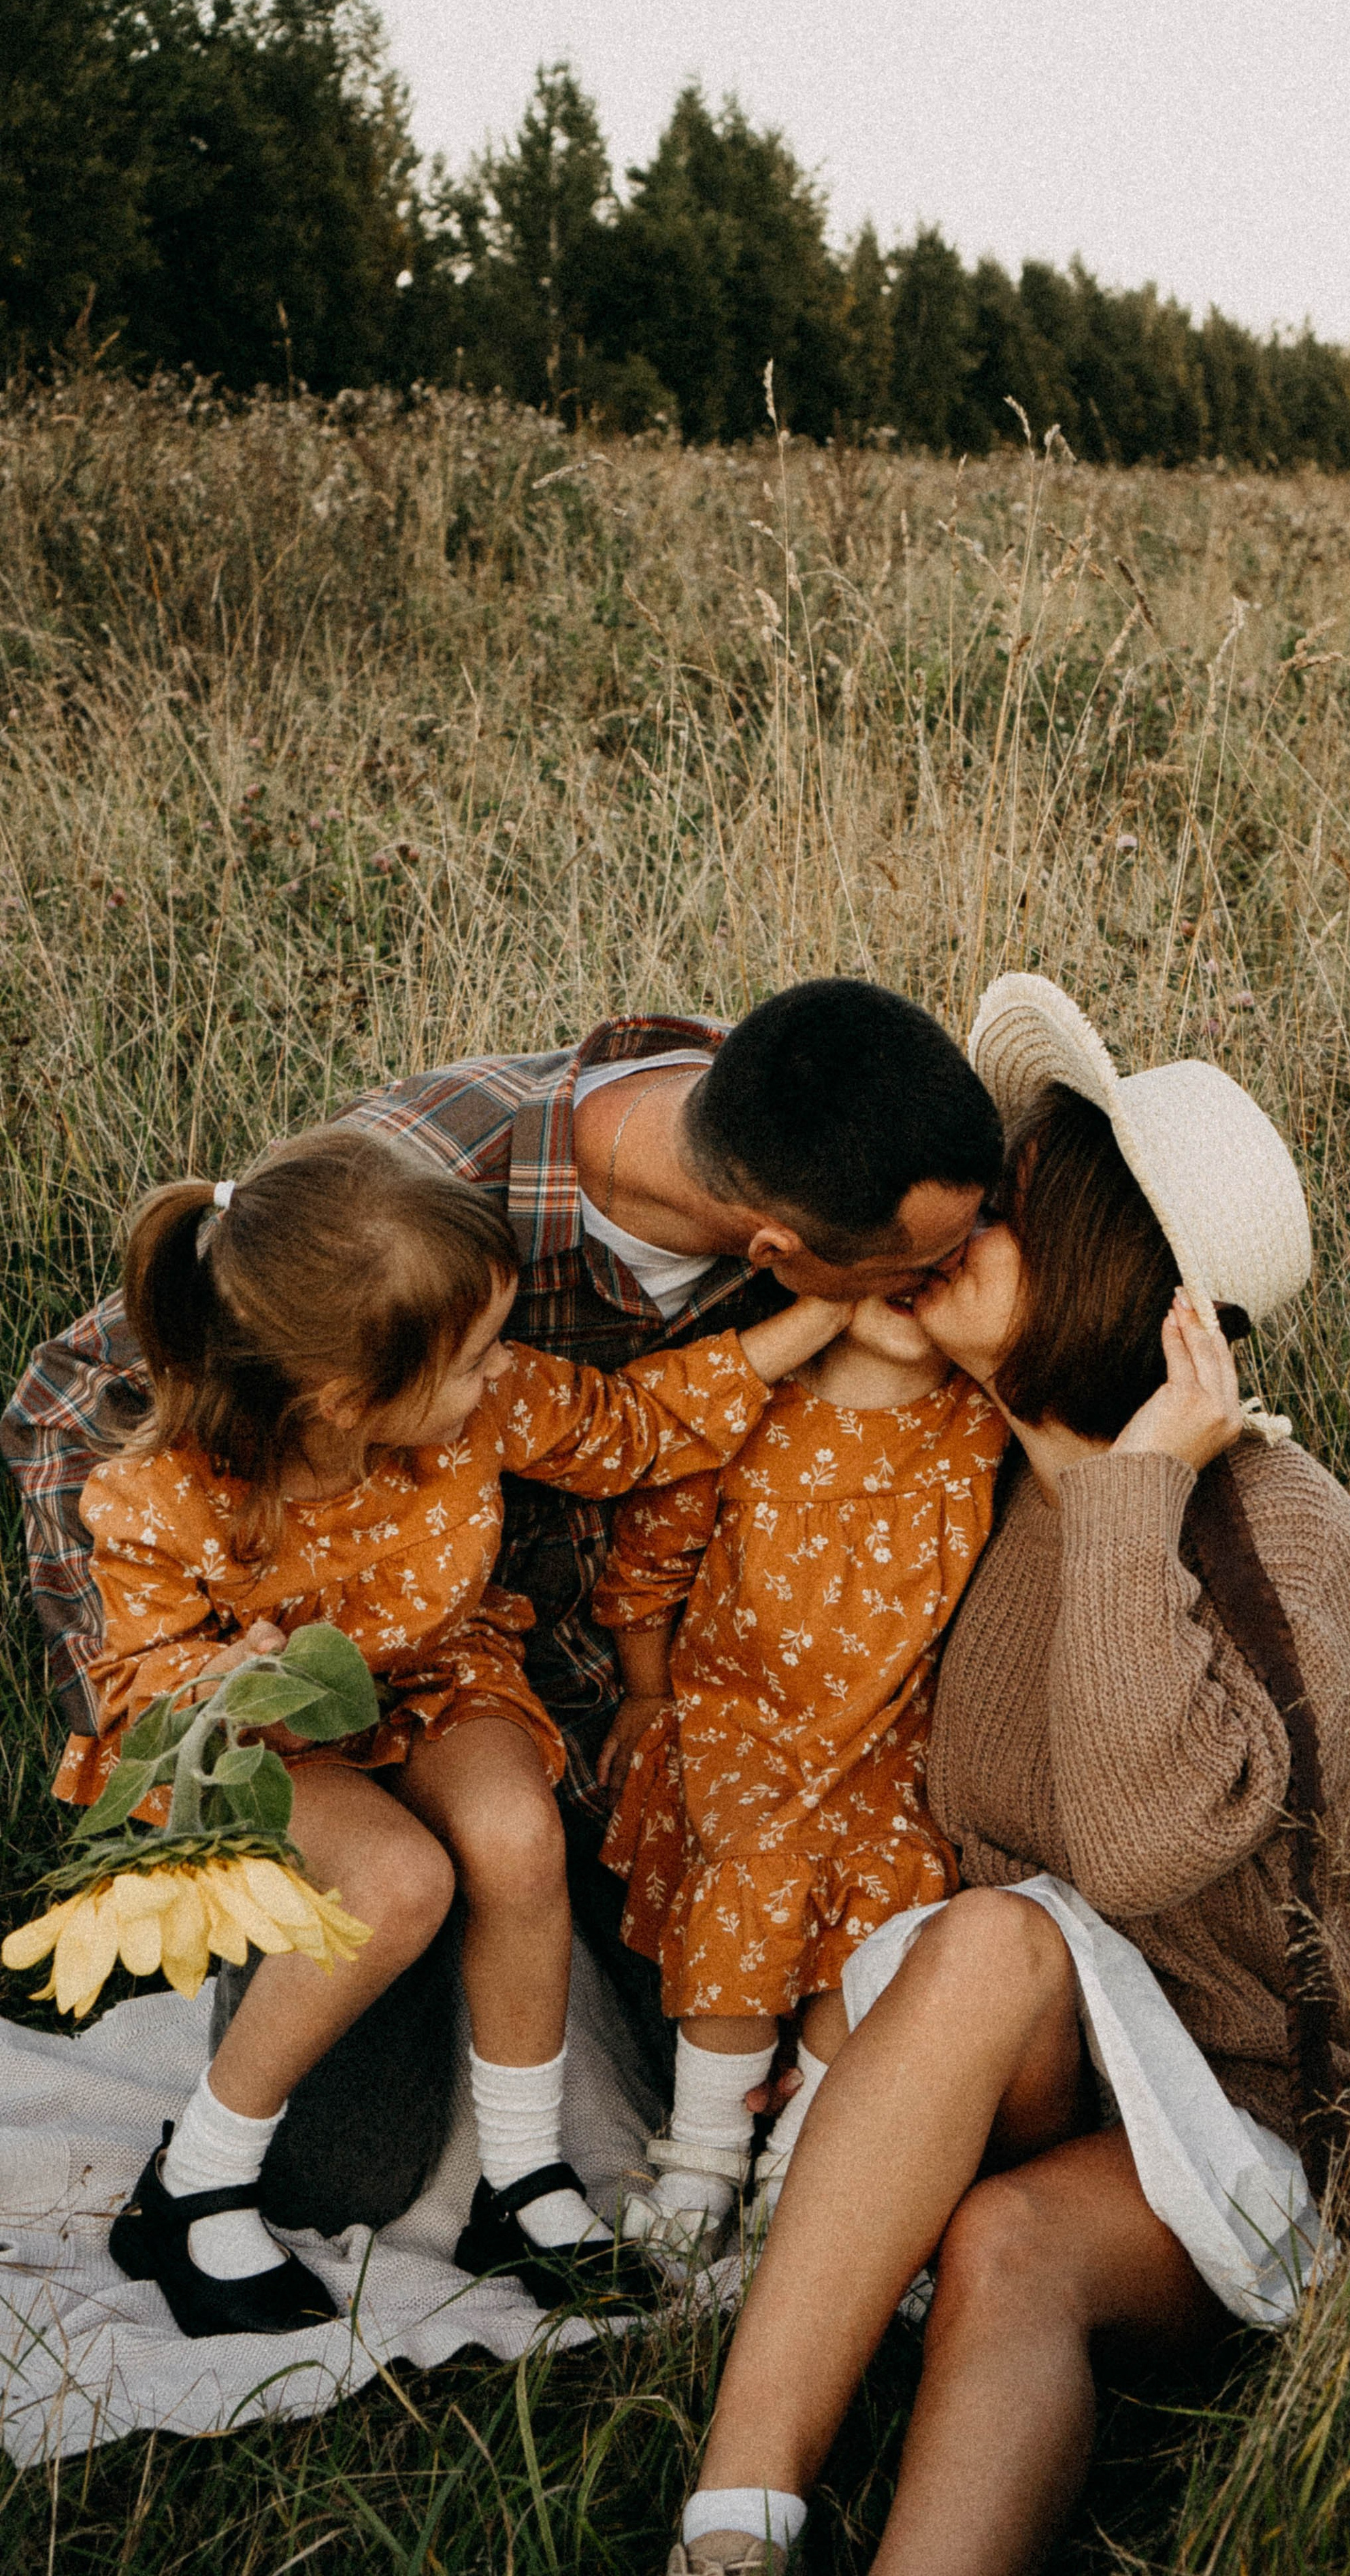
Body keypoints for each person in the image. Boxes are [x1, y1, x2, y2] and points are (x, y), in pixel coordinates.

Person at [661, 975, 1350, 2576]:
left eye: (1000, 1213)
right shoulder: (987, 1468)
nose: (945, 1241)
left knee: (1012, 2234)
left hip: (1248, 2117)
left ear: (1099, 1266)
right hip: (1009, 2042)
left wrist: (1135, 1492)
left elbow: (1141, 1855)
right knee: (994, 1947)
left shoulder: (1275, 1536)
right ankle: (728, 2532)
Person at [1, 980, 1004, 2097]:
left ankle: (529, 2166)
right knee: (354, 2159)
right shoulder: (421, 1207)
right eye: (910, 1275)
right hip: (301, 1708)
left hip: (541, 1692)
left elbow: (631, 1429)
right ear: (775, 1250)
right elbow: (68, 1403)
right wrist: (179, 1709)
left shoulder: (822, 1129)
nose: (935, 1283)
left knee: (683, 2037)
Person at [70, 1124, 846, 2339]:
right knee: (397, 1878)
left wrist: (823, 1312)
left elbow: (634, 1430)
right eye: (478, 1359)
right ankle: (195, 2180)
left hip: (437, 1678)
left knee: (516, 1834)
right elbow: (142, 1686)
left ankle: (519, 2176)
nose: (503, 1374)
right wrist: (228, 1673)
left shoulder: (479, 1406)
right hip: (265, 1742)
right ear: (346, 1400)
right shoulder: (168, 1490)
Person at [589, 1289, 1008, 2260]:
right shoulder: (754, 1404)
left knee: (903, 1883)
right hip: (743, 1722)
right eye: (887, 1258)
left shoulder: (979, 1420)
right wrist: (647, 1697)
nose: (914, 1278)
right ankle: (703, 2151)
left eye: (943, 1261)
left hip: (885, 1737)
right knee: (754, 1869)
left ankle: (810, 2151)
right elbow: (651, 1563)